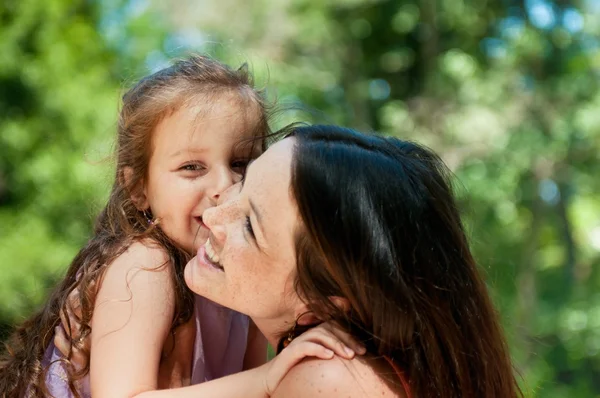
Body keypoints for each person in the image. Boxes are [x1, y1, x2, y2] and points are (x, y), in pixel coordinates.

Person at [0, 55, 360, 398]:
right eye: (192, 167)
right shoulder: (144, 266)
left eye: (240, 162)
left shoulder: (242, 279)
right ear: (139, 189)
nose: (225, 185)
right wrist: (268, 376)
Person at [183, 124, 524, 397]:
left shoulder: (328, 380)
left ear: (323, 303)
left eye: (250, 228)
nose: (214, 214)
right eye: (243, 183)